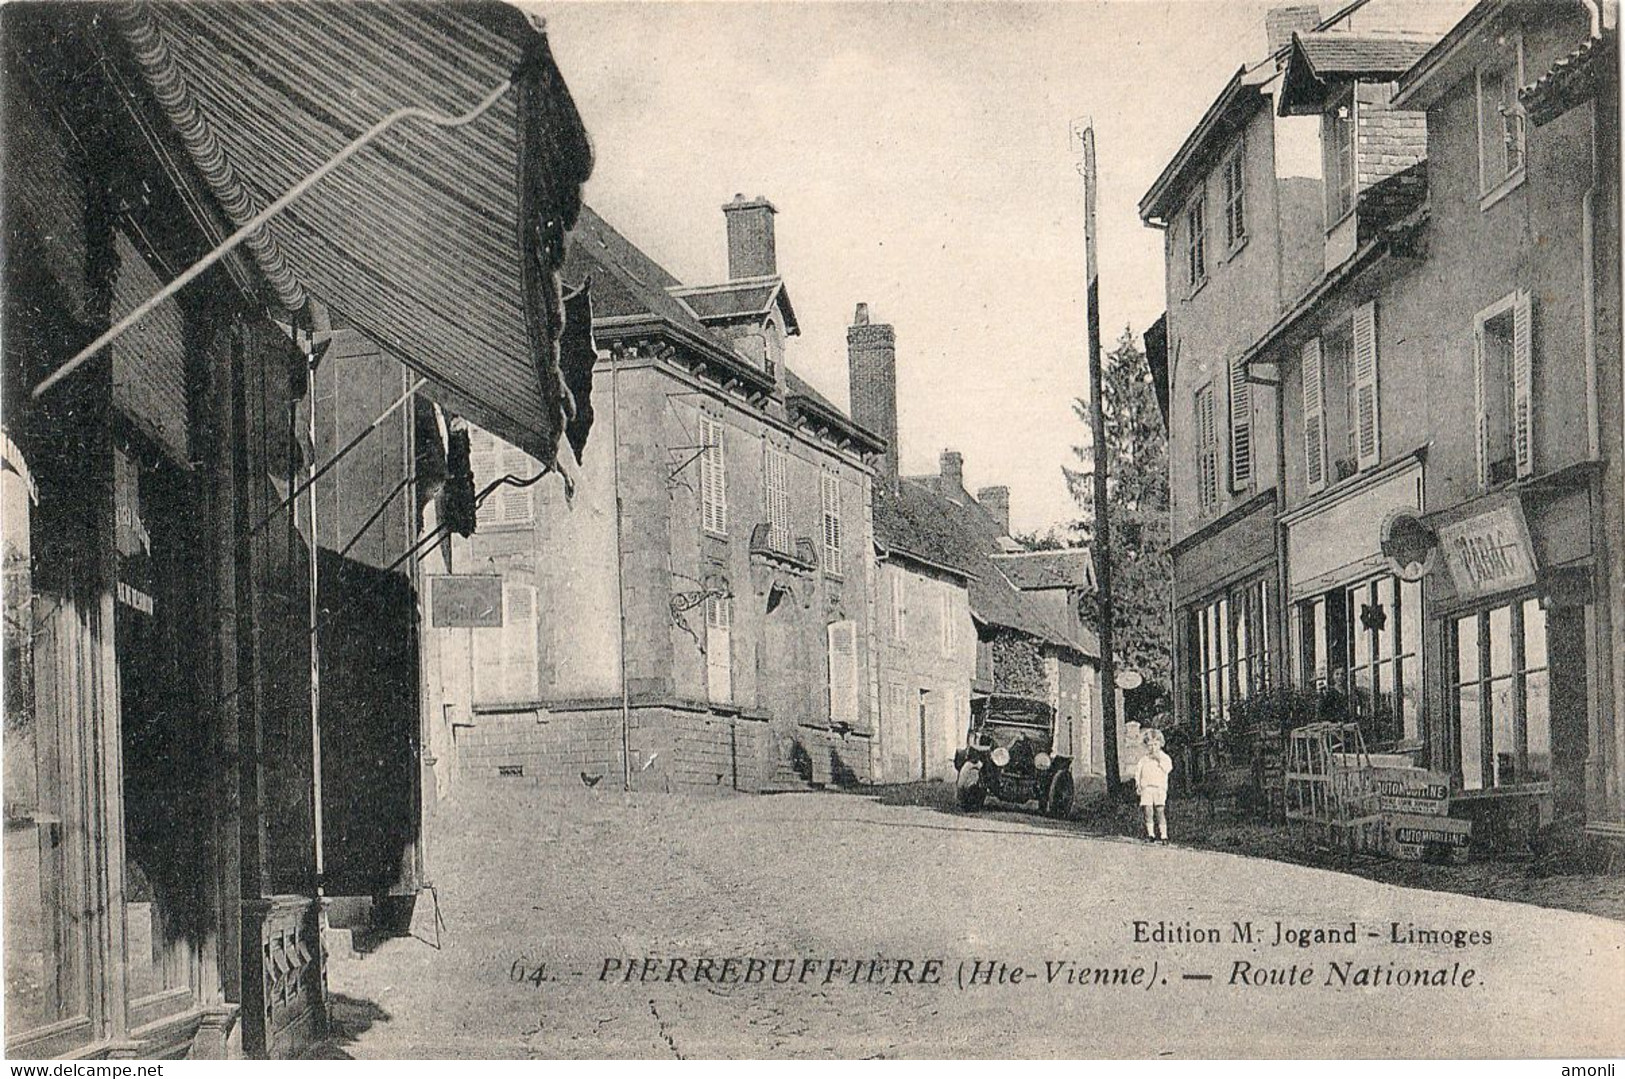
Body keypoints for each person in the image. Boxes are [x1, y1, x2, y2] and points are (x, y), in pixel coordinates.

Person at [1133, 727, 1174, 843]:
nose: (1153, 748)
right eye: (1150, 745)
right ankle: (1151, 834)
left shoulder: (1164, 757)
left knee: (1160, 810)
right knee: (1148, 810)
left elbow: (1168, 768)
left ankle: (1164, 835)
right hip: (1147, 788)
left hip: (1159, 788)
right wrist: (1138, 785)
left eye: (1156, 744)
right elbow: (1138, 772)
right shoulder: (1144, 759)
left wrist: (1159, 760)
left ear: (1161, 744)